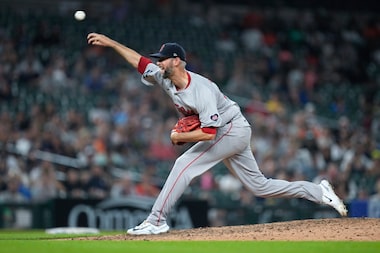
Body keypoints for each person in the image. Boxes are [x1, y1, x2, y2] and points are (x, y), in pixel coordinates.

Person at [87, 33, 347, 235]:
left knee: (183, 164)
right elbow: (139, 61)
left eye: (162, 59)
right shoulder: (164, 77)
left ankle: (156, 221)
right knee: (260, 186)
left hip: (230, 128)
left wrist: (179, 138)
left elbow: (209, 133)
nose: (158, 62)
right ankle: (319, 191)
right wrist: (111, 43)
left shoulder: (201, 90)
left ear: (176, 60)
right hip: (232, 130)